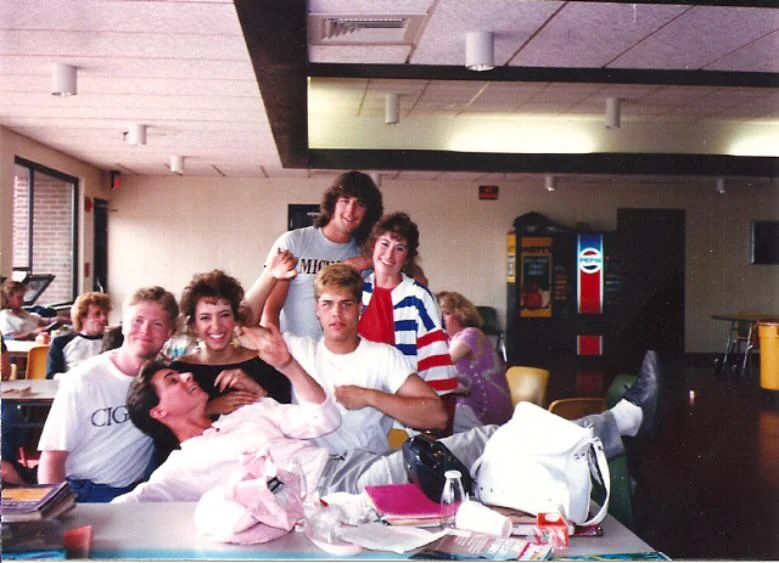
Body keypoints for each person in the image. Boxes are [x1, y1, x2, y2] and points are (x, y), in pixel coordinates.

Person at [114, 343, 661, 503]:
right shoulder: (180, 471)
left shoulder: (245, 413)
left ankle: (619, 427)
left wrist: (283, 365)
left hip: (349, 465)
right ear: (159, 414)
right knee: (482, 442)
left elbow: (321, 416)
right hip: (333, 493)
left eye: (181, 374)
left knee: (487, 450)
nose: (187, 379)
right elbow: (121, 510)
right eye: (172, 383)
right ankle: (622, 421)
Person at [283, 263, 448, 454]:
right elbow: (244, 327)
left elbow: (437, 416)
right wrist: (271, 275)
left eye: (346, 304)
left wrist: (370, 397)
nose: (336, 313)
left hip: (367, 468)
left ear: (359, 309)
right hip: (310, 470)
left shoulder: (383, 356)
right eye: (327, 304)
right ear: (317, 309)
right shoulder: (298, 350)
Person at [37, 286, 179, 502]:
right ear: (122, 326)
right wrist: (56, 512)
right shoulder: (84, 379)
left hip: (135, 493)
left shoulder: (166, 380)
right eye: (137, 321)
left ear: (169, 333)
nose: (145, 331)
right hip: (81, 493)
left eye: (157, 324)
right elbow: (52, 458)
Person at [246, 171, 383, 339]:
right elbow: (271, 310)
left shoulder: (366, 252)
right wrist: (279, 353)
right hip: (294, 355)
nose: (350, 210)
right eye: (345, 200)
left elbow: (413, 276)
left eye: (360, 204)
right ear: (333, 203)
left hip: (342, 358)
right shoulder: (294, 242)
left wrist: (368, 261)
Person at [171, 254, 297, 419]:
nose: (216, 326)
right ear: (194, 326)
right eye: (205, 318)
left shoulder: (266, 364)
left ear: (236, 319)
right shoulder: (179, 373)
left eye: (224, 315)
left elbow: (290, 421)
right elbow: (168, 428)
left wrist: (258, 392)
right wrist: (209, 409)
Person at [358, 212, 457, 392]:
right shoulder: (357, 291)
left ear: (407, 258)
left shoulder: (419, 298)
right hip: (359, 396)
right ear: (373, 246)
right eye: (385, 244)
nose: (389, 255)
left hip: (401, 401)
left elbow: (435, 361)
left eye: (400, 248)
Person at [437, 291, 513, 432]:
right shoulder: (448, 340)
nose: (441, 319)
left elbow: (441, 365)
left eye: (446, 313)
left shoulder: (471, 334)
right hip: (468, 404)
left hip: (487, 409)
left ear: (460, 314)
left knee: (433, 419)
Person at [46, 292, 112, 379]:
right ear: (81, 317)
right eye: (97, 314)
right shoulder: (61, 342)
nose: (104, 318)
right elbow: (52, 375)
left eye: (105, 314)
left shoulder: (112, 342)